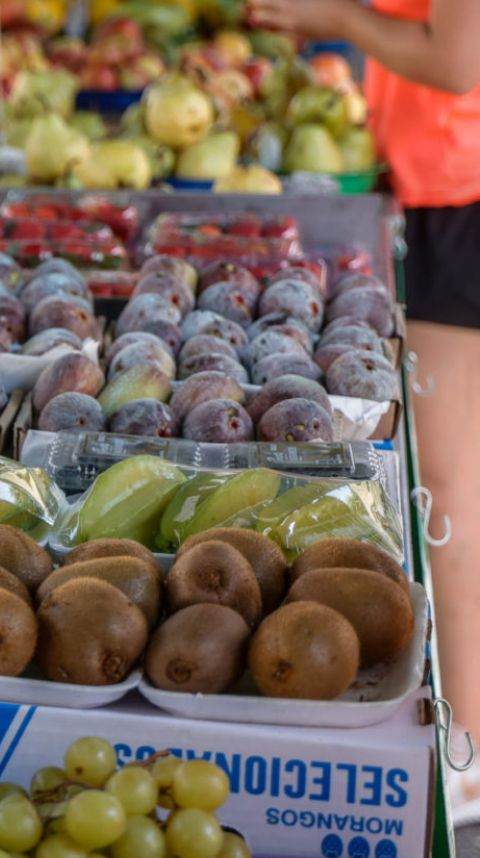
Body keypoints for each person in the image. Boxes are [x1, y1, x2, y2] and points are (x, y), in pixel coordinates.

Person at [251, 0, 480, 739]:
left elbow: (458, 60)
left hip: (458, 192)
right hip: (440, 185)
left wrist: (341, 20)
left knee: (445, 488)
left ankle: (467, 740)